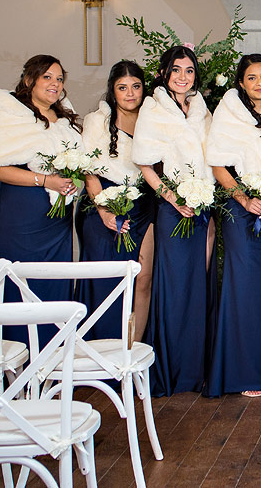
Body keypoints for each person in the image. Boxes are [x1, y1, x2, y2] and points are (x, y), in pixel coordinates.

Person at [0, 54, 83, 346]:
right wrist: (45, 180)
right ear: (29, 80)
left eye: (59, 78)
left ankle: (52, 360)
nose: (55, 83)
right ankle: (13, 363)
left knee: (54, 284)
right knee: (17, 285)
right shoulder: (9, 112)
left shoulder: (64, 116)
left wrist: (69, 180)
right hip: (18, 213)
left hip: (56, 218)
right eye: (47, 77)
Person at [204, 54, 261, 398]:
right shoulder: (230, 113)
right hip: (241, 210)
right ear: (241, 83)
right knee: (246, 289)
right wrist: (244, 200)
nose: (259, 83)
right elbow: (218, 165)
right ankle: (243, 374)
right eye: (251, 78)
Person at [133, 45, 213, 395]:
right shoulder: (153, 108)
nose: (183, 77)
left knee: (197, 287)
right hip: (171, 207)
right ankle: (166, 372)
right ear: (165, 72)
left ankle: (193, 371)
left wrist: (203, 196)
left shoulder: (199, 107)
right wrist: (173, 197)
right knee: (173, 288)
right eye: (177, 70)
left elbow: (213, 153)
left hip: (202, 207)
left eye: (189, 71)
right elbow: (144, 163)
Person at [79, 60, 156, 343]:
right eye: (122, 88)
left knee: (143, 278)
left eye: (136, 86)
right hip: (104, 202)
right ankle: (101, 352)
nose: (130, 93)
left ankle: (132, 351)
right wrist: (103, 210)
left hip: (144, 204)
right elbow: (88, 171)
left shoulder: (152, 119)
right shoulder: (97, 120)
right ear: (113, 91)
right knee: (108, 282)